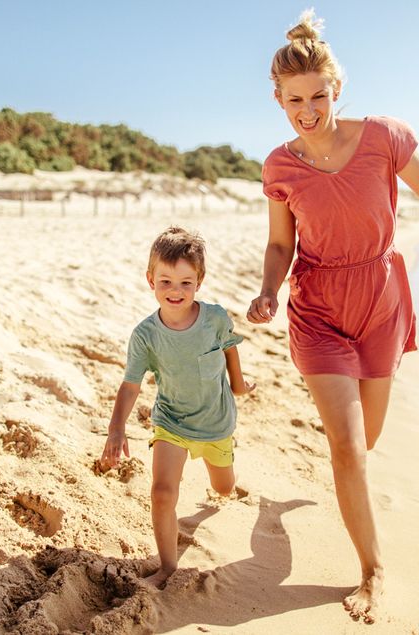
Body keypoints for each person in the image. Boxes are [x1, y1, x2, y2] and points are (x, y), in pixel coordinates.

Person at [247, 10, 419, 624]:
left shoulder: (384, 137)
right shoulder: (279, 166)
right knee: (348, 450)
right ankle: (372, 570)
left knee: (365, 442)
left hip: (380, 302)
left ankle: (290, 504)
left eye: (318, 96)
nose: (307, 110)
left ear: (336, 88)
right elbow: (280, 243)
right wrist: (268, 289)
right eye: (294, 100)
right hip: (317, 308)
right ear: (278, 99)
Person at [101, 226, 255, 588]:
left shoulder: (215, 318)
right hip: (171, 422)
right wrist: (116, 427)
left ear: (199, 281)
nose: (176, 290)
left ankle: (222, 484)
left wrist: (237, 384)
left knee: (223, 488)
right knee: (162, 493)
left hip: (216, 423)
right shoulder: (145, 335)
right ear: (150, 280)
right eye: (166, 281)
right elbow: (131, 385)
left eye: (186, 282)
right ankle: (167, 567)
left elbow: (230, 347)